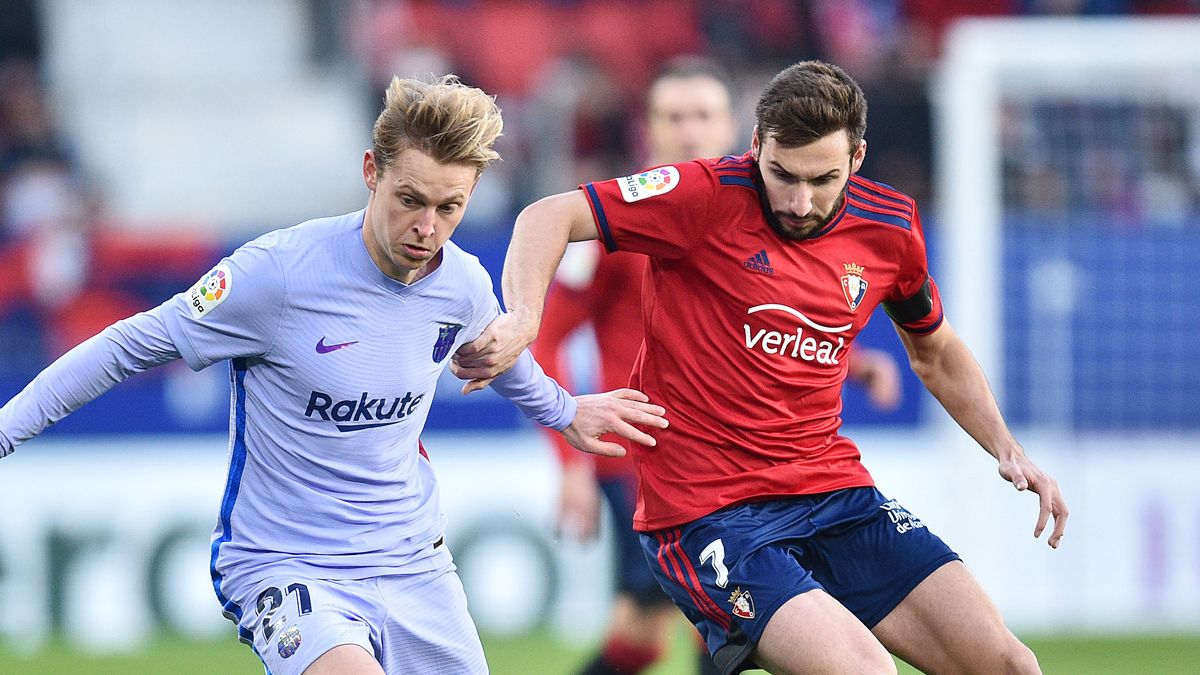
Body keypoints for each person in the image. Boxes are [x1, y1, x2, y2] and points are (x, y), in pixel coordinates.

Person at [0, 75, 668, 675]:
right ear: (371, 171)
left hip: (414, 564)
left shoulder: (462, 284)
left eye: (450, 207)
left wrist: (565, 410)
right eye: (410, 199)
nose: (427, 227)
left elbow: (499, 357)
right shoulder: (278, 275)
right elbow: (125, 346)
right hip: (287, 568)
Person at [455, 61, 1068, 674]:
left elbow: (932, 349)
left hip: (831, 492)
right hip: (706, 509)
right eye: (783, 176)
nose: (800, 203)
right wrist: (525, 321)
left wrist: (1006, 447)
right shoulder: (698, 194)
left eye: (823, 180)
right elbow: (546, 217)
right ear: (755, 148)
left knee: (1010, 665)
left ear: (857, 158)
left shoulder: (891, 226)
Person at [533, 57, 898, 675]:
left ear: (737, 129)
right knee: (692, 628)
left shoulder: (762, 217)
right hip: (646, 462)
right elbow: (545, 339)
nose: (690, 130)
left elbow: (769, 324)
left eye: (703, 115)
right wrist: (571, 457)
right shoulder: (613, 224)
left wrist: (855, 362)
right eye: (673, 117)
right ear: (648, 131)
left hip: (739, 462)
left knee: (692, 632)